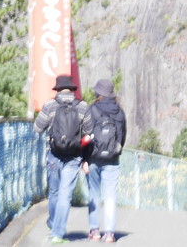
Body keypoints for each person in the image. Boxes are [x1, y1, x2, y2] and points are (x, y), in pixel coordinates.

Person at [34, 74, 93, 244]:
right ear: (73, 89)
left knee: (54, 192)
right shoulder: (82, 107)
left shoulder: (50, 106)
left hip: (53, 154)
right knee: (65, 195)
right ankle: (58, 233)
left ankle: (53, 223)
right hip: (74, 156)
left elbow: (38, 128)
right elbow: (89, 131)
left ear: (57, 89)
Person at [82, 79, 127, 243]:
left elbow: (85, 135)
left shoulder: (92, 110)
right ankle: (109, 233)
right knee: (110, 196)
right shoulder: (119, 112)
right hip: (112, 161)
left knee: (94, 194)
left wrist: (84, 159)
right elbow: (122, 137)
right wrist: (115, 151)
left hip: (93, 158)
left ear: (98, 94)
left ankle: (94, 230)